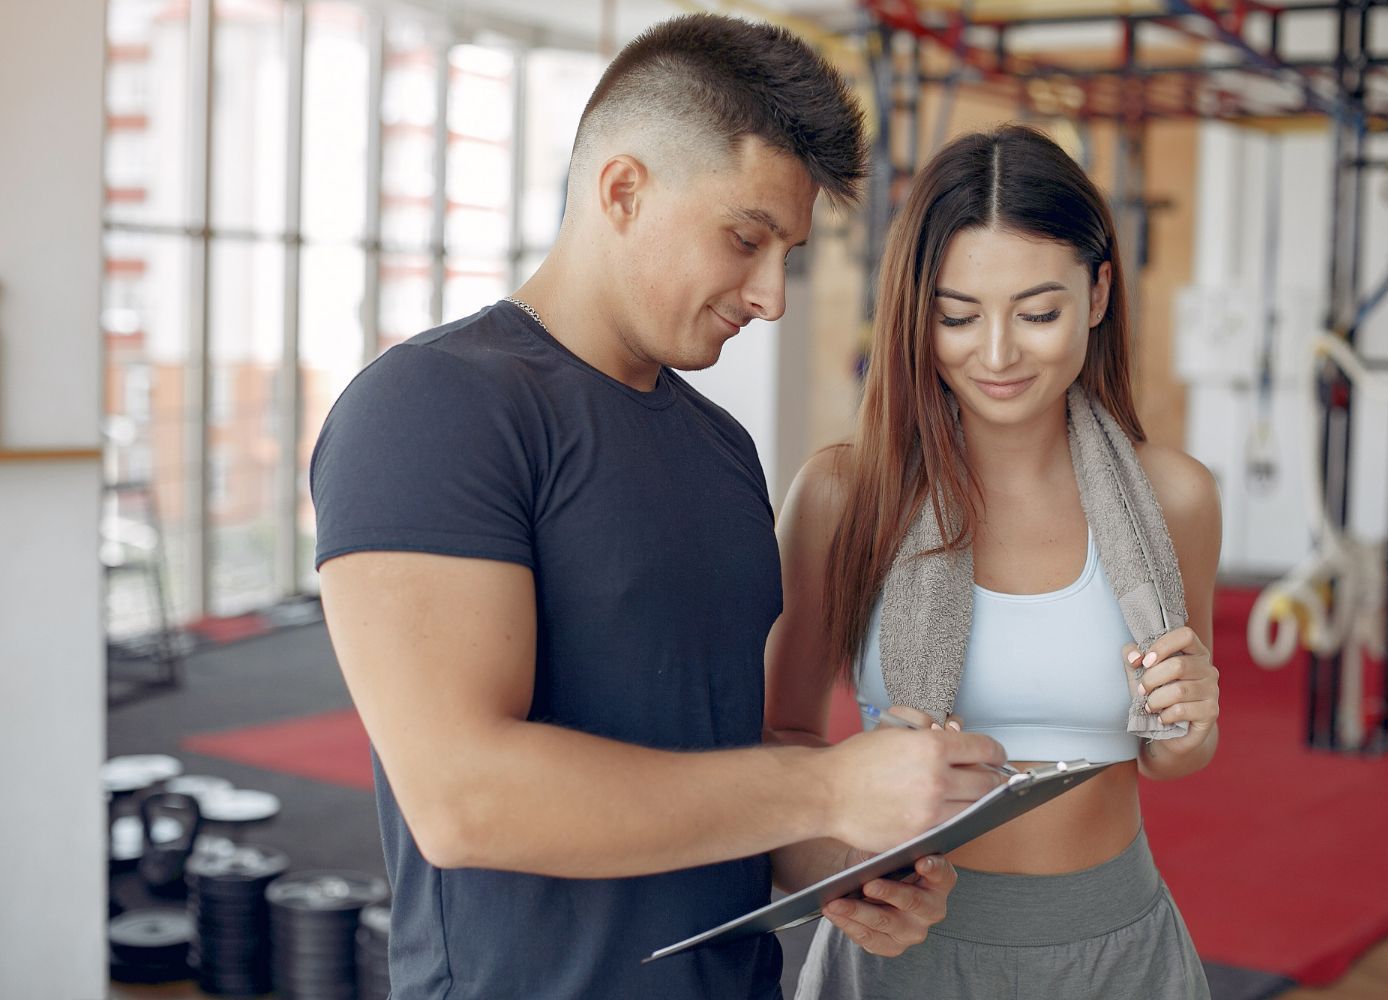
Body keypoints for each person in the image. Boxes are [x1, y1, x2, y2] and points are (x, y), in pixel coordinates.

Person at [311, 15, 1009, 1000]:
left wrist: (851, 850)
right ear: (624, 190)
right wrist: (828, 787)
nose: (771, 294)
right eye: (746, 238)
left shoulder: (722, 450)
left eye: (789, 254)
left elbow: (715, 767)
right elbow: (463, 797)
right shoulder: (434, 406)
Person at [766, 124, 1221, 999]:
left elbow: (1172, 750)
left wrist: (1192, 729)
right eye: (958, 316)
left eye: (1039, 312)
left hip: (1118, 950)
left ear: (1097, 294)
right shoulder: (840, 494)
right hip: (899, 953)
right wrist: (846, 874)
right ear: (914, 311)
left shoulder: (1177, 498)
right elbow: (780, 744)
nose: (1000, 353)